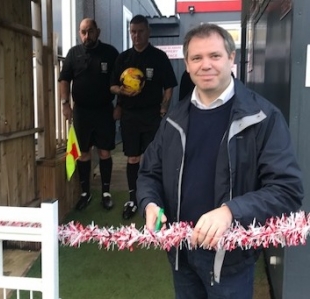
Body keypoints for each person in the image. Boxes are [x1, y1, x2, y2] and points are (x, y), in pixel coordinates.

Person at [136, 23, 303, 299]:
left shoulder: (263, 117)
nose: (206, 65)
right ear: (187, 65)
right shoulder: (173, 120)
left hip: (231, 261)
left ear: (231, 58)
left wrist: (231, 212)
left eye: (214, 56)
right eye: (197, 58)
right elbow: (148, 173)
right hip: (182, 256)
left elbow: (287, 189)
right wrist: (149, 203)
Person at [110, 14, 177, 220]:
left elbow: (169, 86)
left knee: (152, 158)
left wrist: (164, 108)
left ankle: (154, 200)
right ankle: (132, 198)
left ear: (148, 32)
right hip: (130, 115)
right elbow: (112, 86)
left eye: (140, 31)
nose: (136, 36)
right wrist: (122, 92)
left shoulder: (158, 57)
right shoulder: (123, 58)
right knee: (132, 158)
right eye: (133, 32)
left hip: (151, 115)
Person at [59, 18, 119, 211]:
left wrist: (120, 106)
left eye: (90, 31)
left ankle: (106, 193)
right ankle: (85, 192)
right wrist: (65, 104)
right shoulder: (73, 54)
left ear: (98, 31)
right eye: (83, 32)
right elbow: (64, 80)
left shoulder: (110, 53)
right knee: (83, 153)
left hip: (104, 110)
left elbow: (121, 81)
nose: (86, 36)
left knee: (104, 152)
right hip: (81, 111)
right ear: (79, 33)